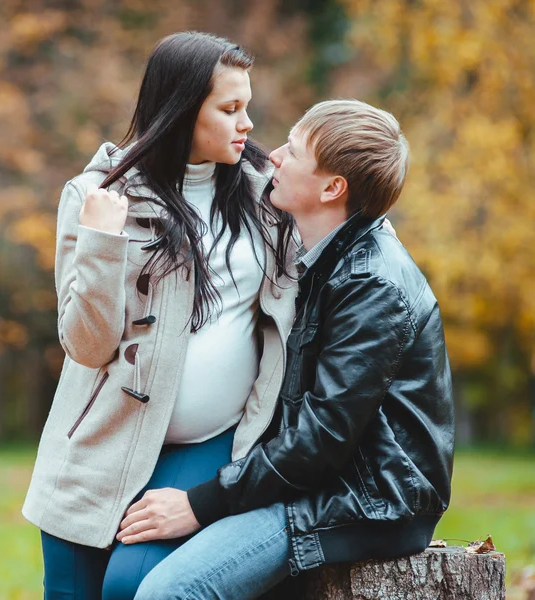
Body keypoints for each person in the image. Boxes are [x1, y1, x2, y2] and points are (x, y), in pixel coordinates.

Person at [118, 99, 455, 600]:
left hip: (366, 502)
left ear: (331, 187)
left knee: (166, 592)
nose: (272, 156)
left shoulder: (372, 285)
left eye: (293, 151)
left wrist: (199, 504)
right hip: (320, 486)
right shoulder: (329, 257)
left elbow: (319, 440)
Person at [22, 31, 299, 600]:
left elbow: (346, 227)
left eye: (247, 106)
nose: (247, 124)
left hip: (207, 443)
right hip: (100, 445)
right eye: (229, 109)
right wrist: (100, 239)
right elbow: (88, 346)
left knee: (133, 586)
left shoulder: (268, 197)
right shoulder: (94, 195)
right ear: (179, 110)